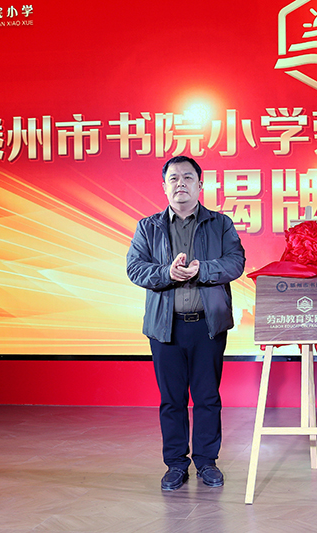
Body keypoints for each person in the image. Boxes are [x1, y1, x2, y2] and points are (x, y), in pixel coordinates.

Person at [127, 155, 245, 491]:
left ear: (200, 184)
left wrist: (201, 270)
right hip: (165, 328)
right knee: (172, 399)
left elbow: (236, 262)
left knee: (207, 397)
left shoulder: (220, 223)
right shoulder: (148, 227)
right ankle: (176, 464)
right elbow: (135, 268)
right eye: (174, 178)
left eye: (188, 177)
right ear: (164, 187)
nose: (181, 183)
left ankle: (207, 462)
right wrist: (167, 273)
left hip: (207, 326)